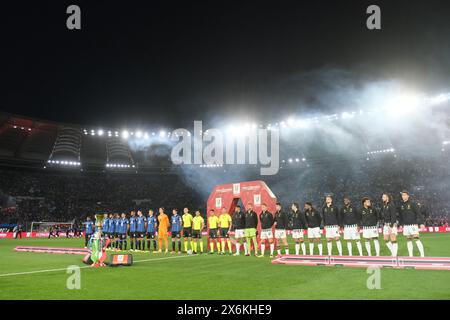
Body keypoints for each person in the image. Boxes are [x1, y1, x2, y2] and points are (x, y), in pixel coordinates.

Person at [398, 191, 425, 257]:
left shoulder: (412, 203)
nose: (403, 196)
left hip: (413, 225)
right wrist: (401, 224)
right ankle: (410, 255)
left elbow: (419, 213)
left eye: (405, 195)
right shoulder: (401, 205)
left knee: (416, 239)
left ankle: (422, 255)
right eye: (402, 195)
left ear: (408, 196)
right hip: (406, 226)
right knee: (408, 240)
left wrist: (421, 223)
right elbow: (400, 216)